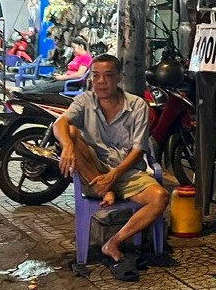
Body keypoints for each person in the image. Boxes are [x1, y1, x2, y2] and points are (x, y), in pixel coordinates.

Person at [54, 54, 170, 278]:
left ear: (119, 77)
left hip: (127, 170)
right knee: (70, 132)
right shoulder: (84, 101)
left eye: (107, 76)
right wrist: (67, 146)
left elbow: (139, 150)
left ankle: (113, 242)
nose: (101, 82)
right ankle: (104, 190)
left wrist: (115, 175)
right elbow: (60, 122)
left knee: (160, 197)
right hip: (94, 172)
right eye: (95, 76)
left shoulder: (137, 105)